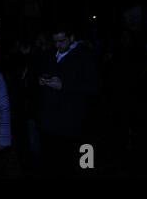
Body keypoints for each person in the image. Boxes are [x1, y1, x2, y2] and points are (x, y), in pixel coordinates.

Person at [35, 22, 99, 177]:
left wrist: (64, 86)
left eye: (62, 40)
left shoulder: (85, 56)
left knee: (77, 165)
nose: (58, 44)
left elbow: (94, 87)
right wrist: (41, 79)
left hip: (73, 123)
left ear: (71, 38)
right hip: (51, 123)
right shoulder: (50, 53)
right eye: (55, 41)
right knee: (54, 164)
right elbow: (40, 72)